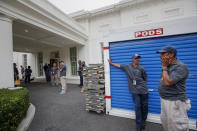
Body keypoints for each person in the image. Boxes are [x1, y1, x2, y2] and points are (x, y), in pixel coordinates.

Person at [108, 53, 148, 131]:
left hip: (144, 91)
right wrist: (111, 63)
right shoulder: (127, 67)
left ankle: (143, 121)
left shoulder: (142, 68)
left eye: (138, 58)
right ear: (132, 59)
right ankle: (138, 126)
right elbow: (119, 66)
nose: (138, 59)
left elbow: (145, 78)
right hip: (135, 91)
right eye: (136, 58)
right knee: (137, 107)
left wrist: (141, 85)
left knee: (144, 107)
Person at [156, 45, 191, 131]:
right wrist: (165, 67)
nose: (161, 55)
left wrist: (164, 67)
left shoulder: (180, 66)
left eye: (163, 53)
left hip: (175, 102)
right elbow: (163, 79)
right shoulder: (168, 66)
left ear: (171, 54)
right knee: (166, 124)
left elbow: (168, 82)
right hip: (165, 99)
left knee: (177, 127)